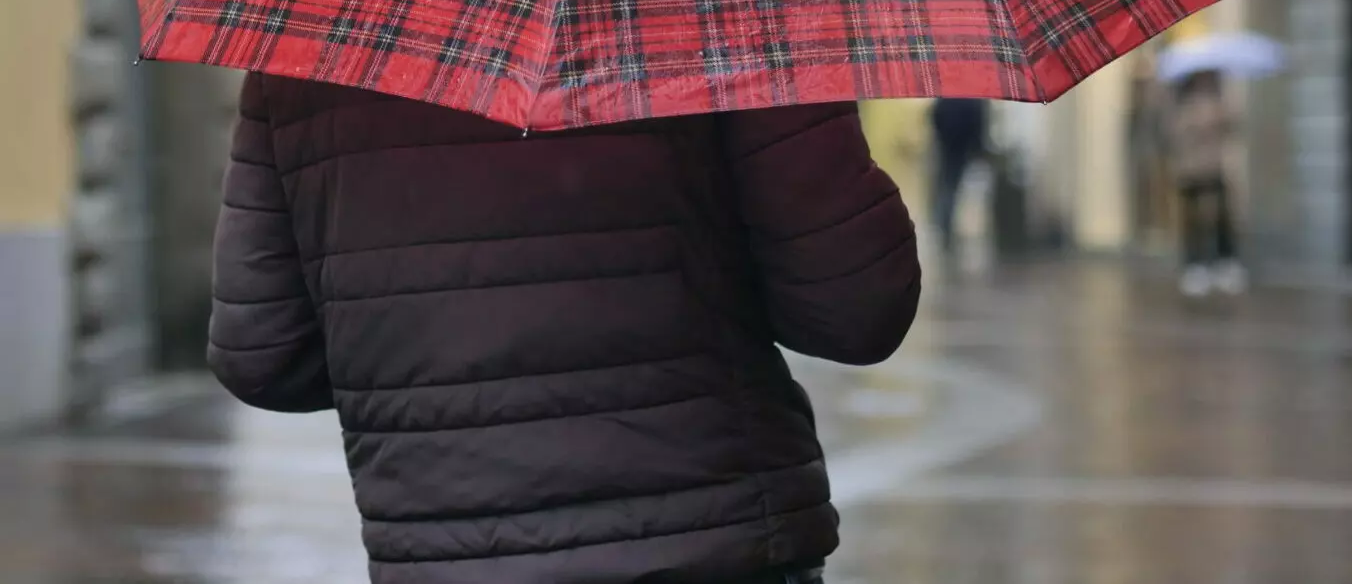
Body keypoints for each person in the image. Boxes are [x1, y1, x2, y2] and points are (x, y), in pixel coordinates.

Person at [207, 73, 921, 584]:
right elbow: (855, 313)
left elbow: (262, 354)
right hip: (712, 534)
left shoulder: (314, 42)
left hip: (443, 547)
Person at [1168, 69, 1245, 297]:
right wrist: (1195, 122)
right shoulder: (1181, 104)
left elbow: (1233, 127)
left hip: (1214, 167)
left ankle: (1226, 262)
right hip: (1189, 169)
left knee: (1222, 216)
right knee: (1192, 219)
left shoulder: (1219, 100)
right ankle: (1194, 265)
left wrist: (1220, 115)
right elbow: (1174, 132)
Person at [929, 97, 989, 257]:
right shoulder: (974, 99)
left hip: (948, 147)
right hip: (962, 148)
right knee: (953, 189)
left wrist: (941, 138)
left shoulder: (945, 97)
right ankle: (948, 227)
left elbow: (935, 117)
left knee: (947, 187)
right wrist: (978, 148)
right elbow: (979, 123)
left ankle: (945, 227)